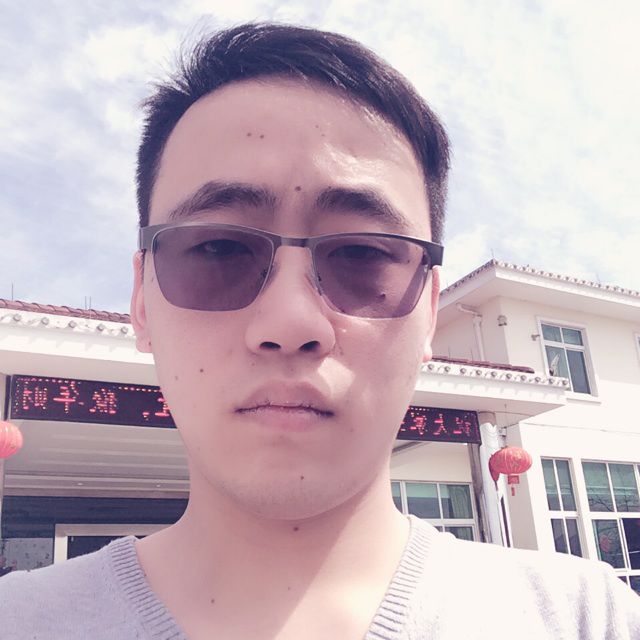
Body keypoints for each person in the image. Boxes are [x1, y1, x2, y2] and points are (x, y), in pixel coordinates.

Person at [1, 21, 638, 640]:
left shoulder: (585, 619)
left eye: (362, 254)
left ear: (428, 309)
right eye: (220, 248)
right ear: (142, 300)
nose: (290, 323)